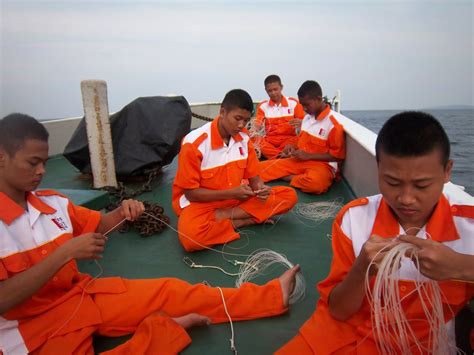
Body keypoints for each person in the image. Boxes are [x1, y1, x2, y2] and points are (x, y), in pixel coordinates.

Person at [0, 113, 301, 354]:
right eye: (33, 163)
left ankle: (269, 297)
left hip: (81, 297)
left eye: (43, 162)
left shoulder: (54, 204)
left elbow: (99, 225)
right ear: (2, 158)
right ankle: (165, 333)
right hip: (30, 331)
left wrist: (122, 212)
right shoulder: (196, 144)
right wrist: (65, 254)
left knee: (171, 291)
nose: (41, 171)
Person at [276, 111, 473, 354]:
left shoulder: (469, 226)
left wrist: (461, 267)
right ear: (378, 168)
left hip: (420, 343)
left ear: (447, 172)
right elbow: (338, 311)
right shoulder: (354, 219)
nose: (406, 199)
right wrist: (361, 269)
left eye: (422, 185)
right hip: (343, 334)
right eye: (392, 182)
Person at [172, 89, 298, 252]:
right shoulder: (194, 143)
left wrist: (261, 189)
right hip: (202, 204)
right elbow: (191, 194)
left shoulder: (245, 139)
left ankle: (225, 217)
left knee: (288, 196)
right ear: (223, 112)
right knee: (190, 237)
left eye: (246, 121)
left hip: (234, 200)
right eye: (237, 118)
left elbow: (254, 178)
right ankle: (245, 221)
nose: (241, 125)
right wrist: (233, 193)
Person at [258, 80, 346, 195]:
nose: (304, 109)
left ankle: (288, 178)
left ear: (319, 99)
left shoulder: (333, 124)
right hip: (300, 161)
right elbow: (301, 142)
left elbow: (337, 157)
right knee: (257, 169)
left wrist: (308, 156)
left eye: (306, 105)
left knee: (316, 184)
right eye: (302, 105)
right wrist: (292, 147)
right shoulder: (307, 118)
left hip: (322, 166)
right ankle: (296, 177)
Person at [250, 75, 305, 159]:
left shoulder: (294, 103)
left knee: (302, 138)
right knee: (253, 138)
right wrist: (253, 130)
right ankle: (280, 156)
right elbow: (258, 123)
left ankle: (276, 157)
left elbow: (304, 123)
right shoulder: (262, 106)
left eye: (275, 89)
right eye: (270, 91)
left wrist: (301, 123)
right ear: (266, 90)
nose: (273, 93)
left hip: (289, 141)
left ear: (281, 87)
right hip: (270, 142)